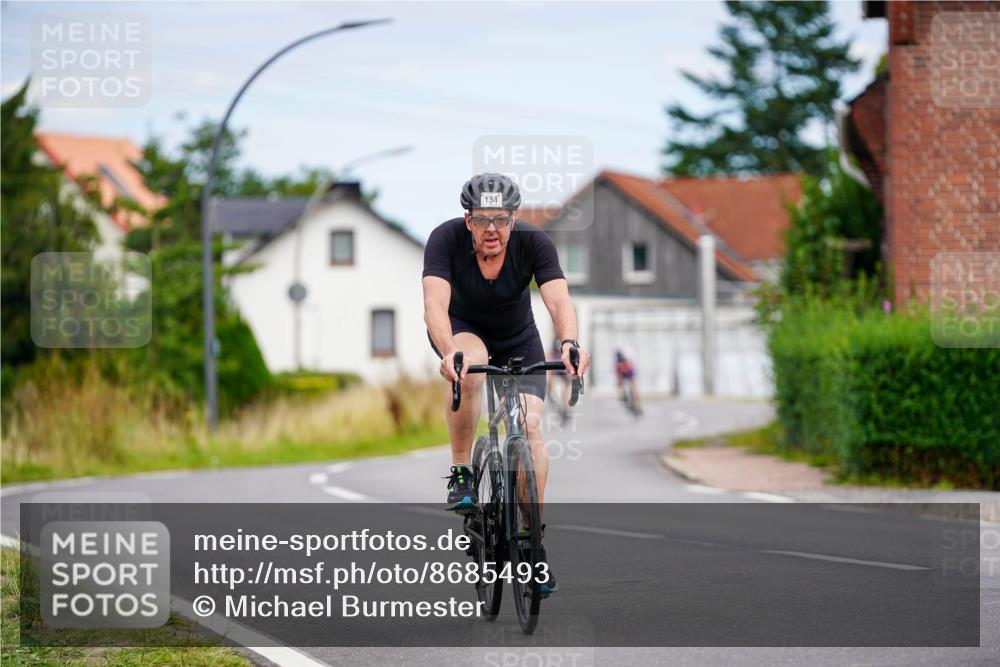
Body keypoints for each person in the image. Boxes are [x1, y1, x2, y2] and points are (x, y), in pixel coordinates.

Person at [422, 172, 591, 593]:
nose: (492, 230)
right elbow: (434, 304)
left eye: (501, 219)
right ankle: (462, 471)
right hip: (463, 333)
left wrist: (570, 343)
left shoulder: (534, 243)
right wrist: (448, 351)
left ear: (514, 219)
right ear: (468, 221)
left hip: (519, 338)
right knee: (470, 364)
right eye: (482, 220)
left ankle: (533, 546)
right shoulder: (444, 241)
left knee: (530, 426)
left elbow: (558, 300)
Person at [614, 349, 641, 414]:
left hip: (629, 371)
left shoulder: (628, 365)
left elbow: (632, 378)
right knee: (620, 383)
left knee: (633, 386)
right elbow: (619, 377)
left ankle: (636, 400)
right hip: (624, 371)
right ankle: (624, 395)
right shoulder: (618, 364)